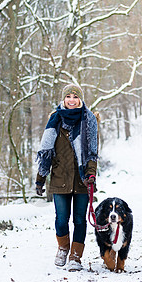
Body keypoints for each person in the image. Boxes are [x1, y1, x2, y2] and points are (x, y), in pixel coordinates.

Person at [35, 84, 98, 272]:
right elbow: (46, 153)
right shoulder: (55, 121)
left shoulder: (89, 121)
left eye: (75, 96)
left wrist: (91, 173)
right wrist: (40, 178)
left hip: (82, 180)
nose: (72, 100)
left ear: (80, 99)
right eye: (68, 96)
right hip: (59, 178)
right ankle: (63, 248)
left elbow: (92, 153)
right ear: (63, 99)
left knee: (80, 220)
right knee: (61, 219)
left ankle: (75, 256)